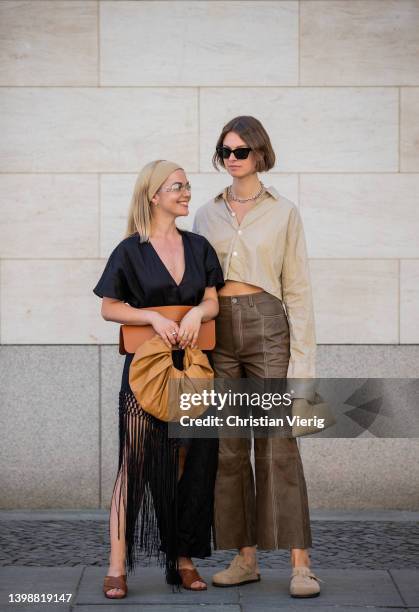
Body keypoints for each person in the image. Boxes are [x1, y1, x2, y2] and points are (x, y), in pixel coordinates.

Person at [193, 116, 322, 598]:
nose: (231, 159)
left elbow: (299, 290)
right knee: (228, 447)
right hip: (218, 328)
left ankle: (300, 564)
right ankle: (243, 557)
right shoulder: (205, 213)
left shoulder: (284, 212)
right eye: (225, 151)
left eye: (241, 151)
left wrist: (304, 368)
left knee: (278, 443)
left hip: (268, 326)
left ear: (260, 154)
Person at [93, 160, 225, 598]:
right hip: (145, 375)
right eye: (177, 187)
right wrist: (149, 314)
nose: (187, 193)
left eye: (187, 186)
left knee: (187, 464)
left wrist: (195, 312)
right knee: (133, 465)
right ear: (154, 196)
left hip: (191, 370)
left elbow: (212, 303)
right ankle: (117, 566)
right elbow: (109, 307)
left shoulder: (199, 246)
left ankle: (182, 558)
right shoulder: (129, 250)